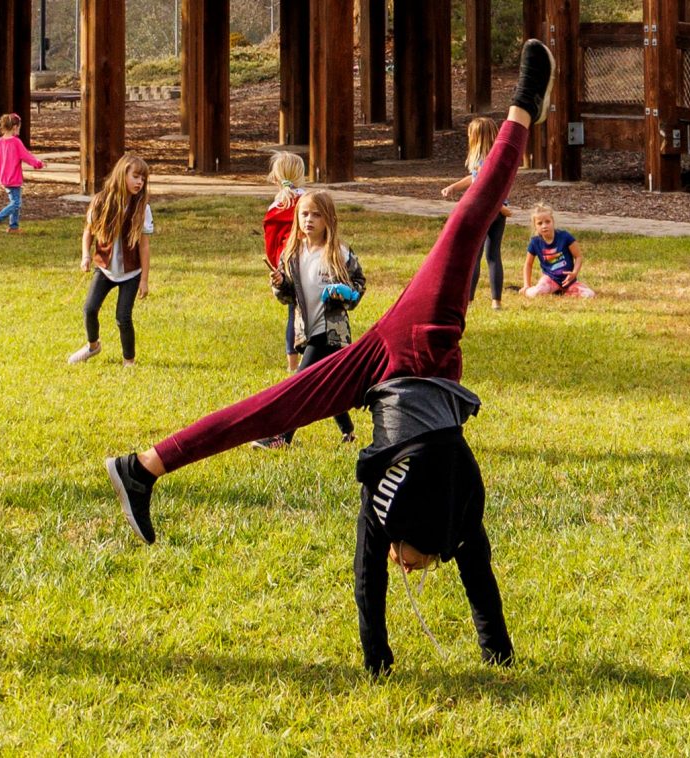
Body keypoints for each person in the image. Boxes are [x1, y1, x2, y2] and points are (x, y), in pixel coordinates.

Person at [101, 39, 562, 676]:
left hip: (382, 367)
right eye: (413, 564)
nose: (405, 568)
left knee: (271, 410)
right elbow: (448, 565)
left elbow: (380, 567)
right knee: (471, 217)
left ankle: (143, 466)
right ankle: (523, 108)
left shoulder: (432, 519)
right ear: (422, 537)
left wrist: (394, 655)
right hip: (419, 340)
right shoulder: (439, 511)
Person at [253, 190, 366, 449]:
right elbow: (288, 296)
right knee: (330, 386)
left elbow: (359, 284)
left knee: (300, 385)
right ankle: (348, 431)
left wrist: (346, 293)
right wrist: (280, 284)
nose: (309, 220)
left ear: (329, 220)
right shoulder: (291, 254)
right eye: (304, 214)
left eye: (316, 214)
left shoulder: (340, 252)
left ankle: (281, 437)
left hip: (330, 333)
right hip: (305, 330)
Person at [68, 153, 154, 366]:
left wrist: (144, 279)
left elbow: (144, 246)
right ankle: (93, 346)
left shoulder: (142, 209)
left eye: (143, 179)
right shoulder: (100, 201)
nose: (139, 182)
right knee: (89, 309)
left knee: (123, 317)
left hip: (131, 273)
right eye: (135, 176)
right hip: (104, 269)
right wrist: (85, 255)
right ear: (122, 174)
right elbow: (88, 232)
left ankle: (129, 362)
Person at [441, 117, 514, 310]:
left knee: (474, 255)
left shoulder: (483, 162)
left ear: (476, 137)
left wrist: (499, 207)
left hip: (485, 211)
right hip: (498, 211)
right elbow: (474, 178)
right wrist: (453, 187)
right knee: (493, 255)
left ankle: (469, 299)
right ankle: (496, 302)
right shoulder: (494, 160)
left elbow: (485, 188)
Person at [263, 152, 309, 372]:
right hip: (311, 260)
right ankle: (312, 357)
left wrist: (276, 268)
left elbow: (271, 244)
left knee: (293, 311)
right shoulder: (309, 202)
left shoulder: (276, 208)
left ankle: (292, 364)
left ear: (275, 177)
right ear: (302, 175)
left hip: (287, 265)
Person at [0, 113, 45, 233]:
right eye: (19, 128)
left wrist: (1, 167)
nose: (19, 130)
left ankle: (14, 227)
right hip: (14, 178)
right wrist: (38, 164)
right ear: (14, 127)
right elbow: (27, 156)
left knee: (15, 200)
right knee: (16, 203)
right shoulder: (16, 142)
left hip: (3, 178)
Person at [522, 204, 594, 298]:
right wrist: (526, 285)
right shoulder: (535, 242)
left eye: (547, 222)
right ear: (535, 226)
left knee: (589, 295)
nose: (544, 226)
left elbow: (578, 256)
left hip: (568, 281)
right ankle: (531, 291)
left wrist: (574, 273)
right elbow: (528, 264)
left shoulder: (565, 237)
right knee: (535, 293)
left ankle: (564, 291)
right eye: (540, 223)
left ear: (553, 221)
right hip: (550, 279)